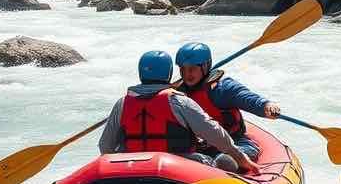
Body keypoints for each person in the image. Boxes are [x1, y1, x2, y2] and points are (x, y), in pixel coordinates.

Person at [98, 50, 257, 173]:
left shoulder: (123, 103)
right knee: (221, 162)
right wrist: (239, 156)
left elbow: (105, 146)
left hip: (133, 167)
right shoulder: (179, 101)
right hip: (180, 167)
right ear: (168, 74)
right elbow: (215, 134)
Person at [175, 42, 281, 167]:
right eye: (183, 69)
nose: (187, 74)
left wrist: (266, 106)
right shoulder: (177, 92)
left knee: (245, 151)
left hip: (234, 141)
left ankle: (224, 162)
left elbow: (247, 98)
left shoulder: (222, 89)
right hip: (198, 145)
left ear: (205, 67)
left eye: (192, 69)